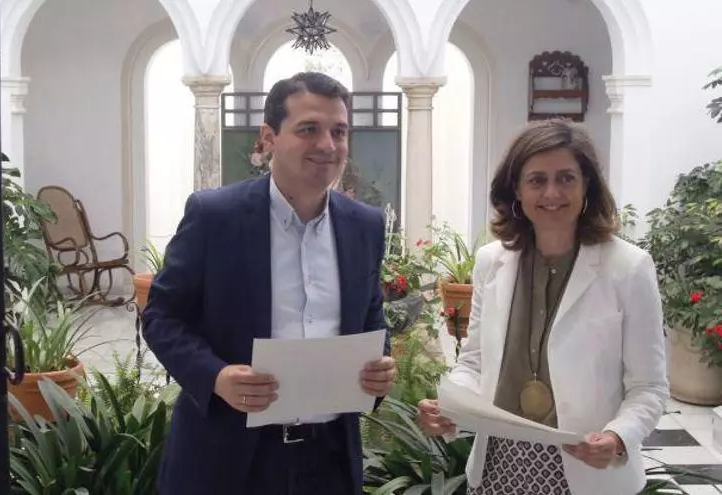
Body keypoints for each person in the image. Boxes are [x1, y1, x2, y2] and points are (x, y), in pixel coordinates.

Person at [141, 71, 397, 495]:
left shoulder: (364, 226)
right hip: (228, 455)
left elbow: (371, 317)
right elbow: (161, 316)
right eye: (308, 129)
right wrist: (216, 376)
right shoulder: (215, 216)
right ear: (269, 137)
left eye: (339, 131)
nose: (328, 145)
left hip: (329, 458)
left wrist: (380, 365)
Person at [417, 119, 668, 494]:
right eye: (537, 180)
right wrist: (449, 407)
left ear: (587, 185)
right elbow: (474, 362)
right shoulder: (491, 263)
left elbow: (648, 386)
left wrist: (618, 437)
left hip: (585, 470)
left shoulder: (628, 269)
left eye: (566, 178)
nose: (552, 192)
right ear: (516, 190)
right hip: (498, 467)